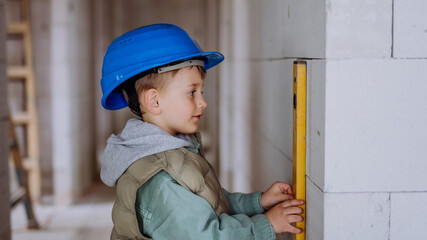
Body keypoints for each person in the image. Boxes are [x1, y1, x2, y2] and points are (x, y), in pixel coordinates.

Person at [100, 23, 304, 240]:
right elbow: (206, 235)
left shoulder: (175, 147)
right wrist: (267, 224)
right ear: (155, 101)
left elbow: (209, 203)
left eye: (201, 91)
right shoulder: (161, 178)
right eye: (191, 92)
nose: (203, 102)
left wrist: (258, 202)